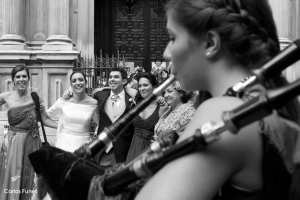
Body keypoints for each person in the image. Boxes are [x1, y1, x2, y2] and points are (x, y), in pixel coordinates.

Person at [135, 1, 300, 200]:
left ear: (211, 43)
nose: (166, 53)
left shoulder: (223, 112)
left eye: (172, 38)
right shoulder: (264, 104)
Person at [0, 65, 57, 200]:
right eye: (18, 77)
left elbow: (45, 120)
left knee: (33, 177)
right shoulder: (6, 97)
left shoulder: (36, 98)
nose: (21, 79)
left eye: (24, 76)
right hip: (13, 145)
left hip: (33, 142)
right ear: (13, 80)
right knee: (14, 175)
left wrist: (64, 125)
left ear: (29, 78)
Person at [93, 68, 137, 167]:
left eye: (116, 77)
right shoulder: (99, 96)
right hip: (102, 148)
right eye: (111, 77)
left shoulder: (132, 99)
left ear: (125, 81)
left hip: (123, 148)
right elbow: (95, 114)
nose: (112, 79)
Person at [46, 71, 99, 152]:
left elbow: (101, 123)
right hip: (63, 144)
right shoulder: (64, 100)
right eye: (74, 81)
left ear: (86, 82)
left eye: (81, 80)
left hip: (83, 145)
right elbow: (44, 117)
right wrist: (60, 126)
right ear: (70, 85)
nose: (78, 83)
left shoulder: (94, 103)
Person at [126, 73, 167, 163]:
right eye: (140, 86)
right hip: (135, 148)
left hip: (152, 149)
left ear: (154, 87)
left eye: (145, 85)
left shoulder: (162, 106)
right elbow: (122, 87)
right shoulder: (136, 102)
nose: (142, 88)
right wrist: (103, 88)